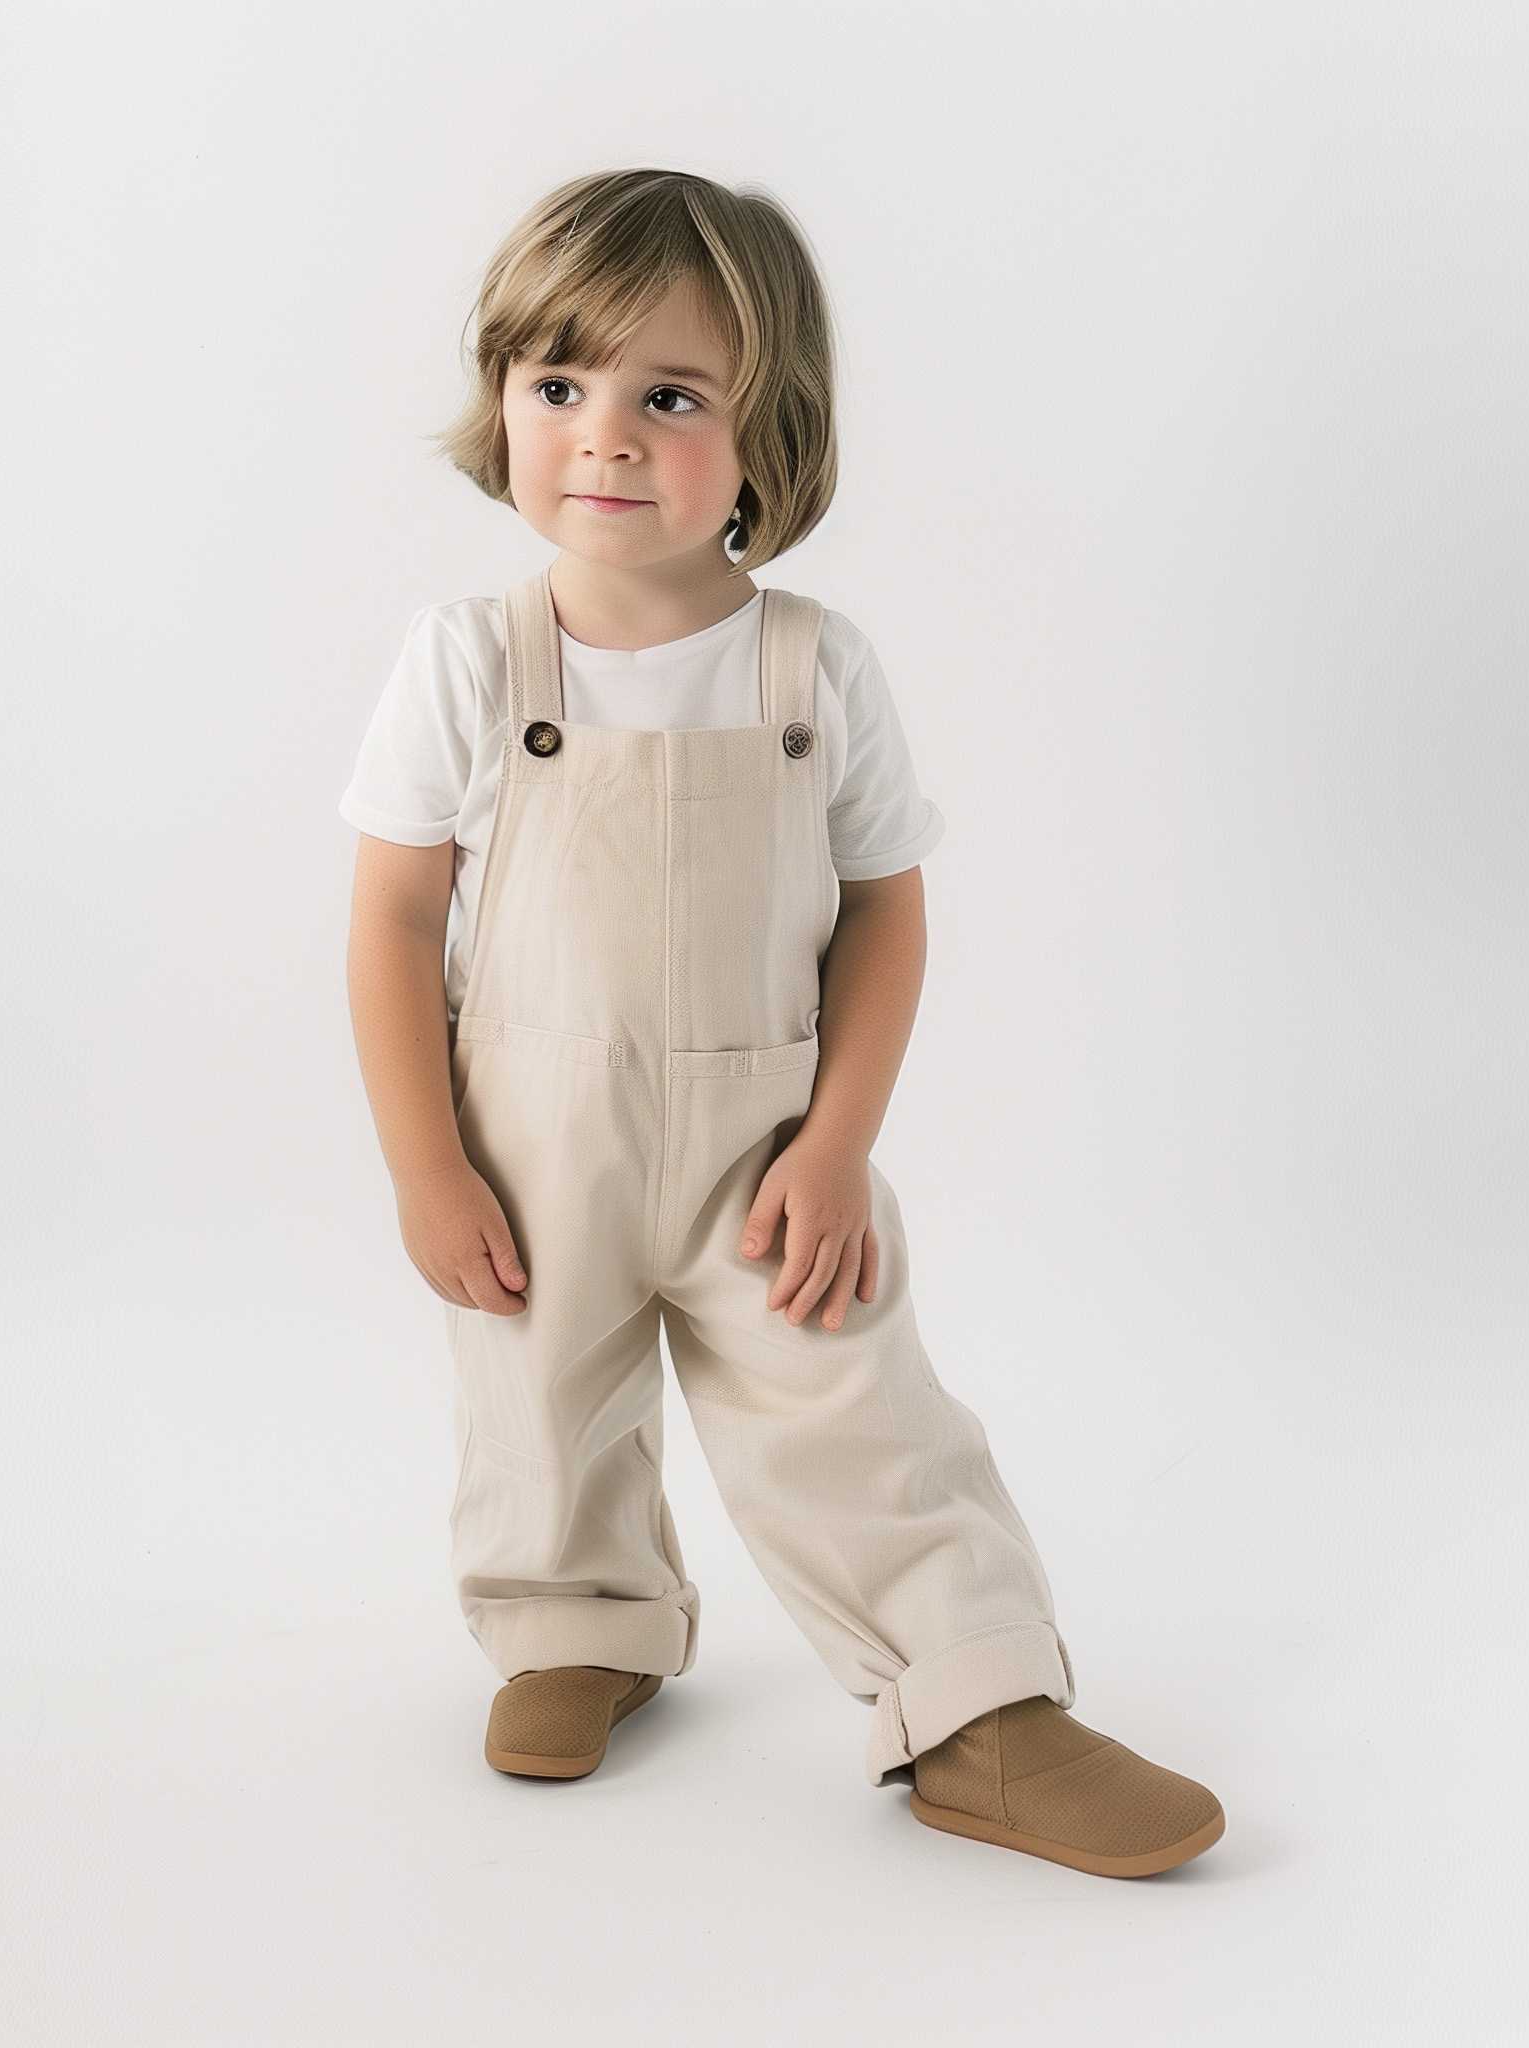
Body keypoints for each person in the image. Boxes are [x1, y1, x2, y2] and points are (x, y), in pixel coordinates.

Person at [340, 169, 1223, 1879]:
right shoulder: (468, 661)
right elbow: (387, 921)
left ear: (769, 432)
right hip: (528, 1137)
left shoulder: (815, 667)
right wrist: (425, 1166)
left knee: (856, 1413)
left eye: (669, 397)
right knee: (537, 1400)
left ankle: (976, 1707)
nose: (604, 436)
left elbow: (884, 908)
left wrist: (837, 1146)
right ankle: (574, 1624)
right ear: (502, 401)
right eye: (558, 384)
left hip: (765, 1147)